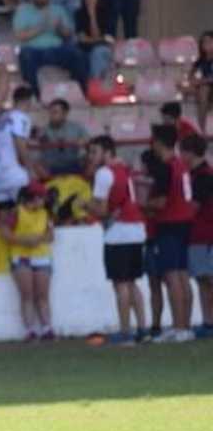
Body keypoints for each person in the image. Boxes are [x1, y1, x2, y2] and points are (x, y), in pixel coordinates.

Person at [84, 135, 147, 344]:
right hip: (136, 228)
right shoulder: (124, 171)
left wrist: (84, 204)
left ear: (107, 152)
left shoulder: (103, 173)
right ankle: (142, 328)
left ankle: (125, 330)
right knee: (132, 282)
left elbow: (102, 210)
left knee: (120, 283)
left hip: (118, 233)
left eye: (95, 152)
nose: (91, 157)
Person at [141, 126, 196, 342]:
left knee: (171, 275)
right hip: (185, 222)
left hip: (170, 224)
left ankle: (178, 326)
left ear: (158, 142)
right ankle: (185, 325)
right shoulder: (181, 166)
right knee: (182, 275)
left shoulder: (166, 168)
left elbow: (161, 202)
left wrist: (143, 204)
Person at [0, 185, 55, 340]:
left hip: (41, 255)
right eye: (41, 198)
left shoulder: (45, 214)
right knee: (27, 294)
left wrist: (36, 239)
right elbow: (5, 233)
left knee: (42, 295)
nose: (43, 201)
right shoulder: (17, 213)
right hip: (21, 256)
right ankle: (30, 329)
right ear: (33, 199)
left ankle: (47, 327)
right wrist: (23, 240)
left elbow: (50, 235)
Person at [13, 0, 86, 89]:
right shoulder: (23, 10)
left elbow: (69, 35)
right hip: (33, 50)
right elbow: (19, 35)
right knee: (26, 58)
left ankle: (79, 91)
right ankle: (33, 97)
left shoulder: (58, 9)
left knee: (78, 55)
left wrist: (59, 28)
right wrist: (40, 28)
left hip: (57, 49)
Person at [182, 132, 213, 337]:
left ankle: (209, 321)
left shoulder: (203, 177)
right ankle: (207, 322)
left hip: (204, 233)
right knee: (203, 279)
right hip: (199, 234)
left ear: (190, 153)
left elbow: (194, 207)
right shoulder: (198, 175)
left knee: (207, 279)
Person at [0, 86, 39, 210]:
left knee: (5, 213)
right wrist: (30, 169)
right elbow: (20, 144)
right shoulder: (22, 118)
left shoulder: (1, 118)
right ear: (28, 100)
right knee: (27, 210)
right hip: (13, 172)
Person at [73, 0, 113, 87]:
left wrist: (92, 15)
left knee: (97, 52)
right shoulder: (79, 14)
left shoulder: (106, 13)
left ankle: (95, 85)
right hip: (84, 49)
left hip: (103, 49)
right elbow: (82, 39)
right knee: (78, 56)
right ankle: (82, 88)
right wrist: (99, 39)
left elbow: (107, 39)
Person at [35, 98, 86, 176]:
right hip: (52, 170)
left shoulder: (76, 127)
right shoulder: (44, 130)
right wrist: (39, 137)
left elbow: (88, 139)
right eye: (51, 112)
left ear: (65, 113)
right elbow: (38, 139)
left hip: (73, 167)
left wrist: (82, 142)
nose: (52, 115)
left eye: (55, 112)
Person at [189, 30, 213, 132]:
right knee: (193, 89)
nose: (206, 45)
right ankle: (200, 126)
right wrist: (193, 80)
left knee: (203, 90)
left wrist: (201, 81)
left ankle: (202, 127)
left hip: (207, 86)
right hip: (205, 86)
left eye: (209, 42)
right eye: (203, 42)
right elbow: (191, 74)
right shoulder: (201, 59)